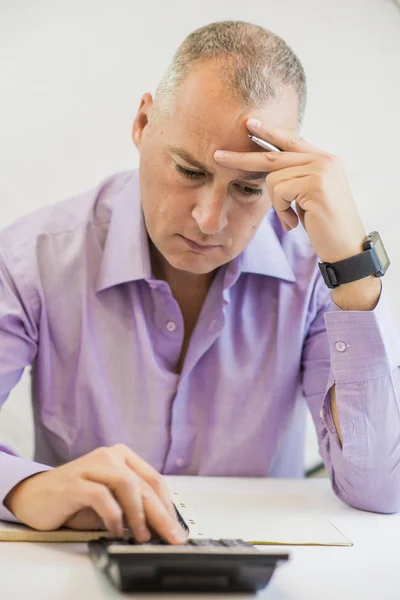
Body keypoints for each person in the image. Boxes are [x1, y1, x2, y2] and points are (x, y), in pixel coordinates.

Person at [1, 20, 399, 545]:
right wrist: (30, 490)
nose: (210, 219)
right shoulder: (35, 258)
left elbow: (381, 489)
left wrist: (353, 273)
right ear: (143, 124)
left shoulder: (315, 275)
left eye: (248, 188)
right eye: (189, 171)